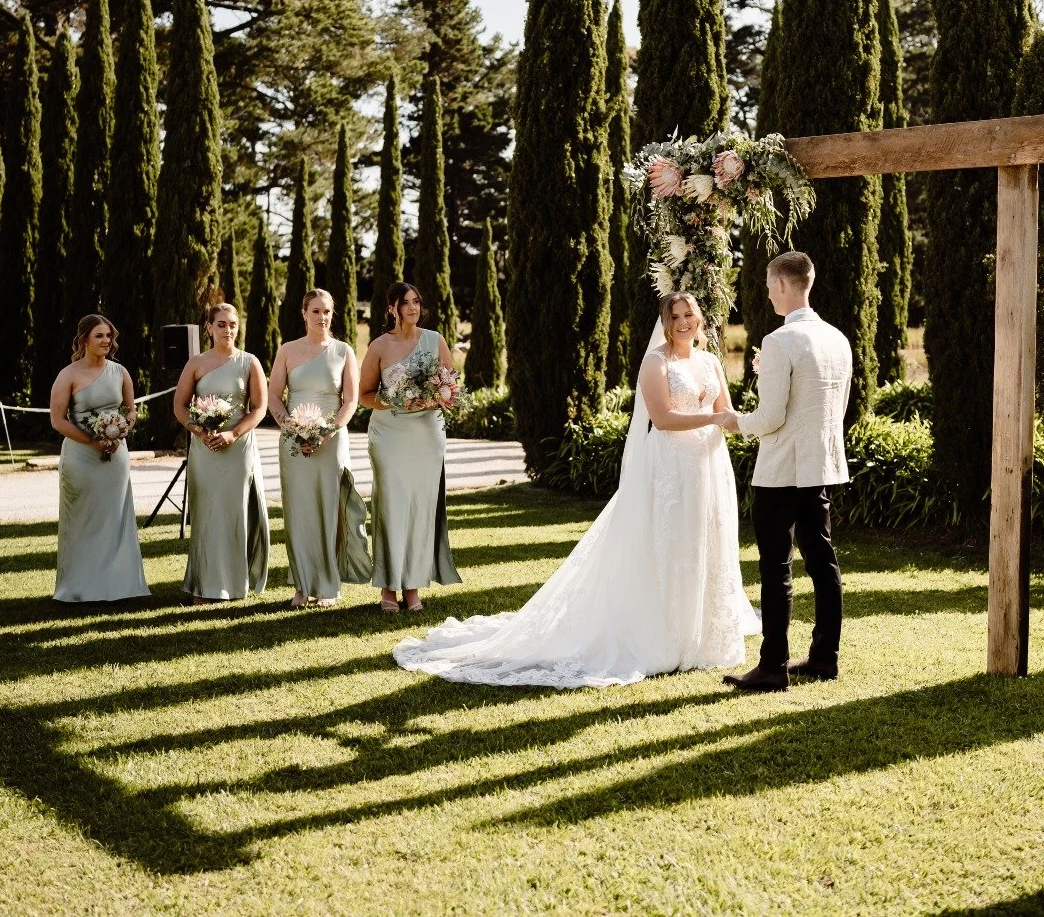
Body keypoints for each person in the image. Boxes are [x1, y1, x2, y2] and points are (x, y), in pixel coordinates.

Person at [392, 291, 759, 686]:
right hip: (671, 467)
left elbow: (728, 414)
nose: (686, 321)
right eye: (677, 316)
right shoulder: (656, 362)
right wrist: (715, 417)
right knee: (669, 544)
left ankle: (703, 633)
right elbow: (665, 419)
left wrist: (762, 422)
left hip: (708, 464)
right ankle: (668, 633)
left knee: (705, 541)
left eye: (691, 314)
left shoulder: (710, 361)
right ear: (666, 322)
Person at [721, 251, 852, 692]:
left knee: (776, 566)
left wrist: (735, 421)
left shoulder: (780, 342)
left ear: (781, 285)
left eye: (767, 283)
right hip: (821, 467)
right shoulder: (837, 338)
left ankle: (773, 666)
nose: (766, 291)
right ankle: (824, 658)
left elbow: (771, 417)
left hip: (781, 472)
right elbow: (834, 409)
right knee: (822, 560)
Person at [358, 282, 461, 613]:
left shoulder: (435, 340)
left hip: (426, 437)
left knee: (419, 510)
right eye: (406, 303)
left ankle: (413, 587)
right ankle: (389, 587)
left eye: (417, 301)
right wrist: (399, 398)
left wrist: (438, 397)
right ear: (393, 308)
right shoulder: (379, 346)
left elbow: (450, 388)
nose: (413, 308)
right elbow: (364, 395)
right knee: (391, 507)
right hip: (389, 436)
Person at [268, 288, 372, 609]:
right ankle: (302, 586)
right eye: (316, 311)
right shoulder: (287, 350)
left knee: (330, 511)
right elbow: (274, 397)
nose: (322, 317)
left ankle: (328, 584)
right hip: (294, 443)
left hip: (331, 440)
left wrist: (327, 431)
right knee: (299, 513)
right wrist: (293, 430)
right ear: (304, 313)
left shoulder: (344, 351)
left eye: (327, 311)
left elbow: (351, 401)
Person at [49, 314, 150, 603]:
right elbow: (58, 420)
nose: (107, 341)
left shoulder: (120, 372)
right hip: (81, 458)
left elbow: (131, 410)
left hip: (116, 456)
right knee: (83, 520)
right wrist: (94, 440)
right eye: (100, 336)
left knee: (115, 518)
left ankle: (120, 587)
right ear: (84, 340)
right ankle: (79, 589)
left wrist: (120, 431)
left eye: (109, 336)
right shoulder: (67, 375)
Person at [174, 303, 270, 603]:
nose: (228, 330)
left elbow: (259, 408)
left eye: (232, 324)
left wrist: (233, 433)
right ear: (209, 328)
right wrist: (200, 432)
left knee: (234, 513)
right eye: (221, 324)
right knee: (205, 515)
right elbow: (180, 406)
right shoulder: (196, 363)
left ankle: (234, 584)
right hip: (205, 450)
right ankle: (204, 585)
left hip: (238, 448)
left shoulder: (250, 362)